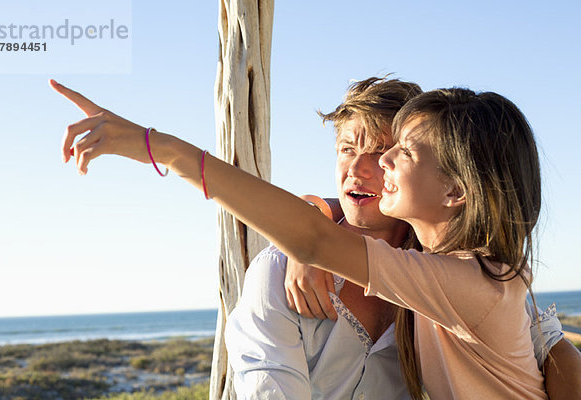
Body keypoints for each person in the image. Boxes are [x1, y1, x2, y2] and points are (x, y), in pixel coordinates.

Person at [51, 78, 575, 398]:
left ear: (456, 188)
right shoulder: (461, 270)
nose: (370, 166)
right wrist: (319, 218)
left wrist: (161, 148)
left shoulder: (466, 279)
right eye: (349, 149)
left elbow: (548, 341)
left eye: (396, 151)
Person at [224, 78, 579, 399]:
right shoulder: (278, 269)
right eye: (347, 149)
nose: (358, 169)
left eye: (384, 150)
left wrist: (310, 223)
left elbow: (545, 340)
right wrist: (308, 222)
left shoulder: (447, 267)